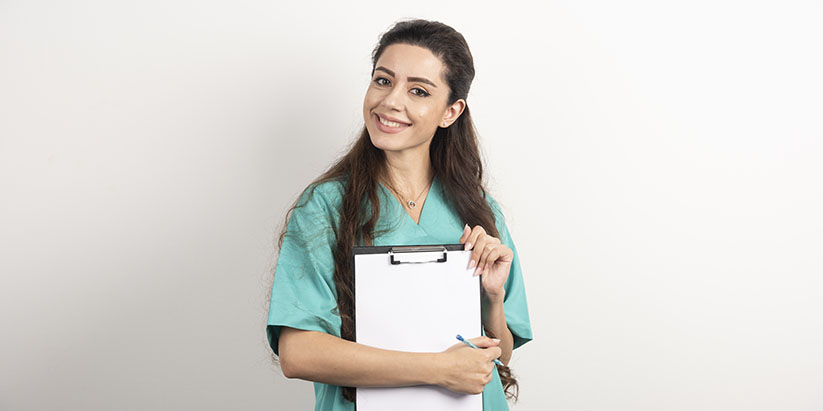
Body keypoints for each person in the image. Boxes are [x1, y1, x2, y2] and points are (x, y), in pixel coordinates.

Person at [265, 19, 532, 410]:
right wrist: (437, 369)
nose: (391, 101)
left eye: (419, 91)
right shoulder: (325, 207)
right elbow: (299, 353)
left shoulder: (478, 209)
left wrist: (492, 297)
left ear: (450, 111)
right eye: (383, 81)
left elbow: (499, 354)